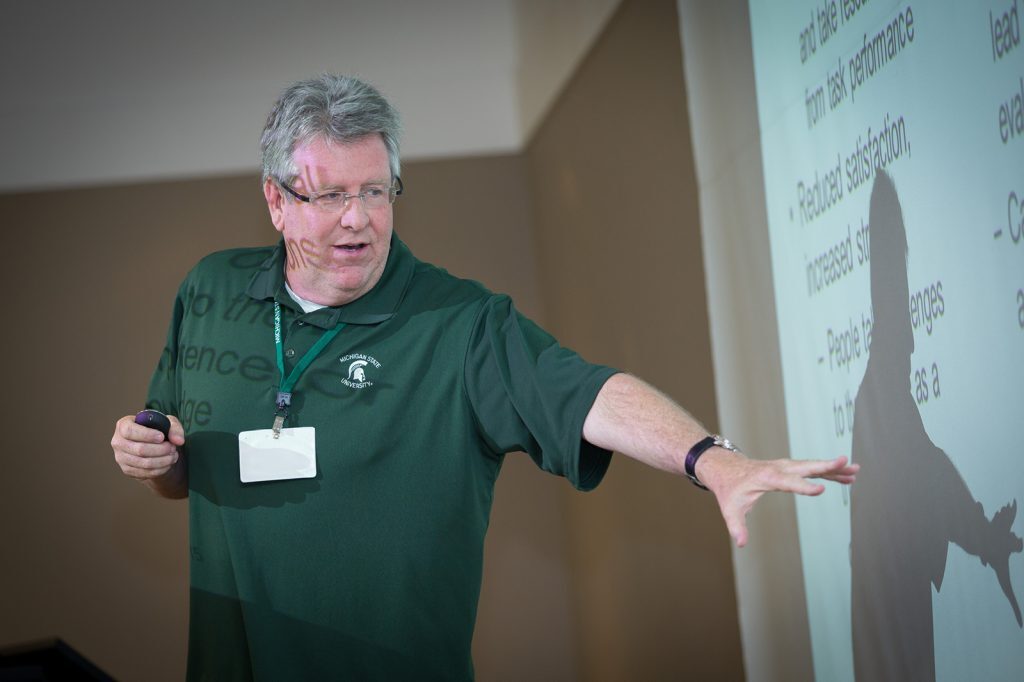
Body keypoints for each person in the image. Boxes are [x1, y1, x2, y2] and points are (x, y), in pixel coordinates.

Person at [110, 74, 857, 680]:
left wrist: (709, 458)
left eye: (376, 191)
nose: (358, 220)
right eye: (330, 195)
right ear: (276, 201)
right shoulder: (209, 292)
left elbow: (587, 392)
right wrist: (157, 460)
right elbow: (179, 467)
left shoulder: (460, 322)